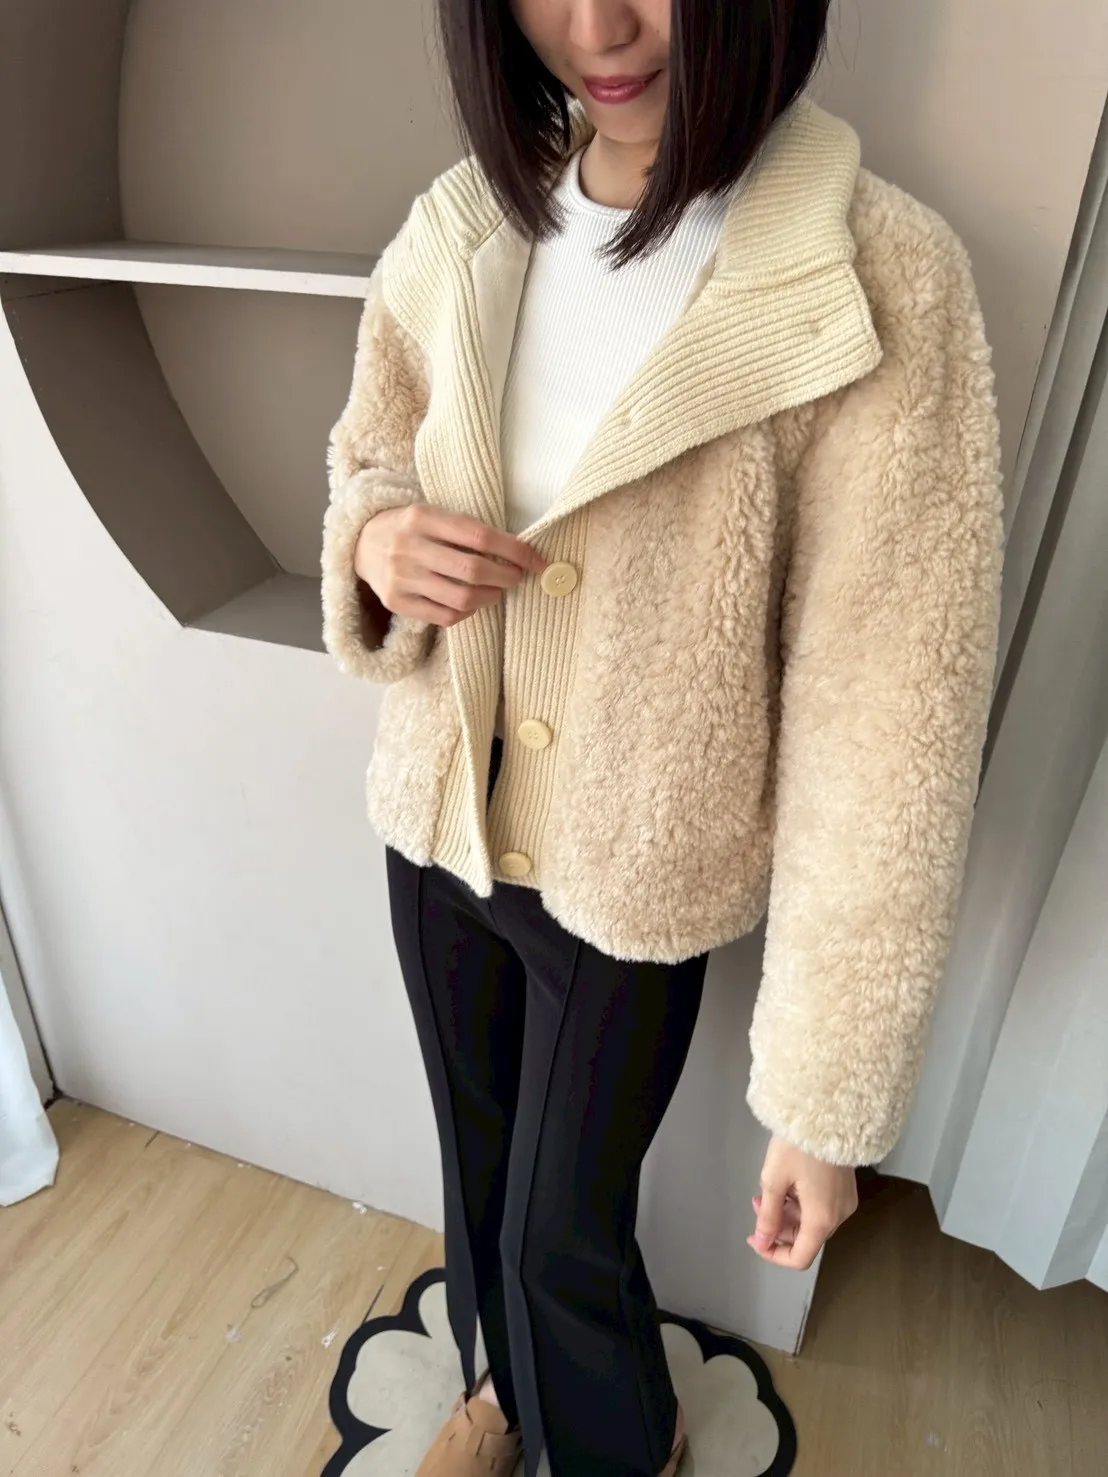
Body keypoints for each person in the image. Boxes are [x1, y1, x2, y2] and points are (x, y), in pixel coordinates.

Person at [320, 1, 1004, 1472]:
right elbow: (370, 446)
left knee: (561, 1229)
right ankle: (501, 1395)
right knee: (479, 1170)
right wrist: (375, 539)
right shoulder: (463, 223)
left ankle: (626, 1445)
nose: (601, 25)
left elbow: (892, 719)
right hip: (437, 820)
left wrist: (827, 1098)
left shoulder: (879, 276)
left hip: (631, 878)